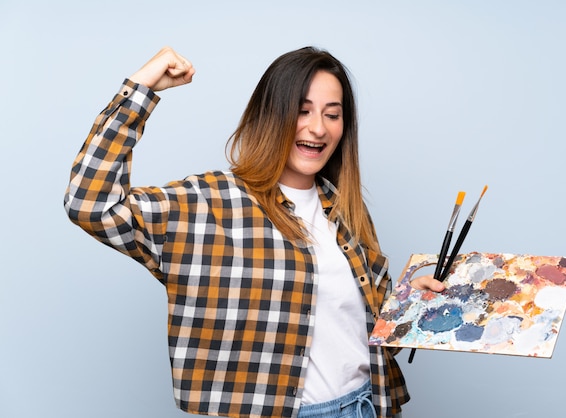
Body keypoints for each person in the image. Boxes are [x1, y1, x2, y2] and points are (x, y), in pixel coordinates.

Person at [64, 46, 444, 418]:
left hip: (367, 404)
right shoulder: (207, 204)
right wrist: (141, 89)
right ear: (270, 115)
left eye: (333, 114)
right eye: (302, 111)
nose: (318, 127)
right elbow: (90, 204)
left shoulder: (345, 210)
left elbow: (362, 332)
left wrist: (407, 307)